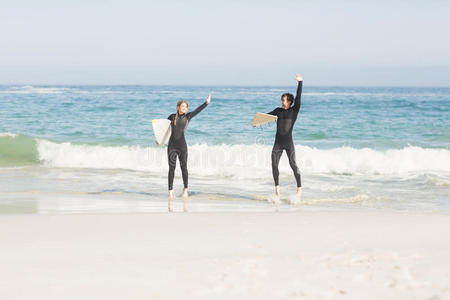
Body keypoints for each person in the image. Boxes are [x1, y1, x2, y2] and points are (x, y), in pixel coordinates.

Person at [166, 94, 211, 212]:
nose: (184, 108)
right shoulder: (171, 117)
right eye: (183, 107)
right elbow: (164, 129)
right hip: (171, 146)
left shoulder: (188, 116)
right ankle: (170, 191)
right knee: (171, 168)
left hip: (182, 146)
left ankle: (185, 189)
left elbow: (198, 110)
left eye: (186, 107)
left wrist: (206, 103)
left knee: (183, 168)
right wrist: (159, 139)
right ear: (178, 107)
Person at [264, 74, 303, 201]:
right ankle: (277, 188)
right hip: (278, 144)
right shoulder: (278, 111)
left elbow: (298, 98)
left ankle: (299, 188)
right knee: (274, 164)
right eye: (282, 100)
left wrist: (300, 82)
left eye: (284, 100)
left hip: (288, 143)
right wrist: (256, 122)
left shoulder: (294, 110)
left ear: (289, 102)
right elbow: (266, 116)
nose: (282, 102)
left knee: (293, 165)